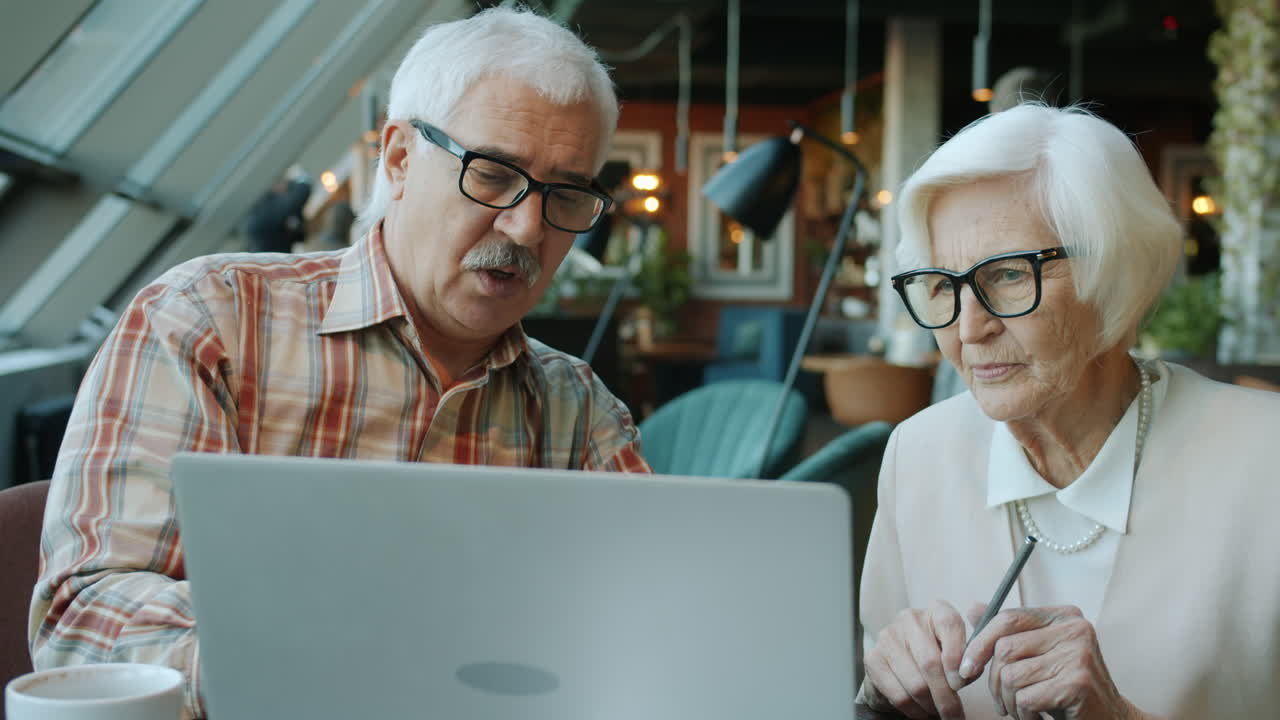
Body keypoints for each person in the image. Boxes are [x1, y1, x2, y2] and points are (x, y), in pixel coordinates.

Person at [30, 8, 647, 719]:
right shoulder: (210, 321)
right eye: (496, 174)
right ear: (399, 159)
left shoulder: (583, 411)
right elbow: (86, 625)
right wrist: (363, 659)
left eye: (566, 193)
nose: (528, 226)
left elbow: (647, 632)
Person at [859, 103, 1280, 719]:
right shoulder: (918, 456)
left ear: (1114, 273)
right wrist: (886, 697)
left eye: (1006, 275)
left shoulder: (1264, 462)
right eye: (943, 285)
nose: (969, 327)